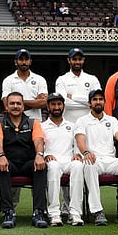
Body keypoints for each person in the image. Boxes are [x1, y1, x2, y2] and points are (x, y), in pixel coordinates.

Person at [73, 89, 118, 226]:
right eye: (95, 100)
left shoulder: (112, 120)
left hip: (111, 161)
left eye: (100, 99)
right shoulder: (82, 121)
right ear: (89, 103)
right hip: (94, 160)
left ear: (104, 102)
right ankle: (97, 211)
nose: (98, 102)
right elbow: (80, 140)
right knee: (88, 163)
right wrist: (86, 152)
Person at [0, 91, 49, 229]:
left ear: (23, 107)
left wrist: (40, 154)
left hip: (28, 162)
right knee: (2, 167)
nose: (15, 106)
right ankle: (8, 212)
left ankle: (39, 212)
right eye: (12, 103)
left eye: (18, 103)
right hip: (9, 161)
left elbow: (39, 140)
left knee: (41, 166)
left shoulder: (33, 122)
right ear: (6, 106)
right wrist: (0, 156)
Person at [41, 93, 84, 226]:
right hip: (52, 160)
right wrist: (45, 155)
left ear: (63, 106)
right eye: (53, 104)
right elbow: (39, 145)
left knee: (78, 166)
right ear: (48, 106)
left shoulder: (72, 125)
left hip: (68, 160)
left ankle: (75, 213)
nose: (56, 107)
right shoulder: (42, 126)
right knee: (53, 167)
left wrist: (78, 154)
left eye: (59, 104)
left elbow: (77, 143)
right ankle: (54, 214)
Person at [55, 48, 102, 123]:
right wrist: (89, 103)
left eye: (80, 59)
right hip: (69, 123)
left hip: (89, 123)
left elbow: (97, 101)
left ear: (83, 60)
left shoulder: (92, 79)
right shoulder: (61, 79)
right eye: (74, 59)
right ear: (69, 60)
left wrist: (73, 97)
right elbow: (64, 103)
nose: (77, 62)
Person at [1, 49, 48, 122]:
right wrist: (35, 101)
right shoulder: (8, 80)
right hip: (15, 123)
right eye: (21, 59)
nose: (24, 62)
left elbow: (44, 103)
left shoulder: (40, 79)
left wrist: (16, 103)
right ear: (15, 62)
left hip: (36, 121)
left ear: (30, 61)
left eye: (26, 59)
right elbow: (6, 105)